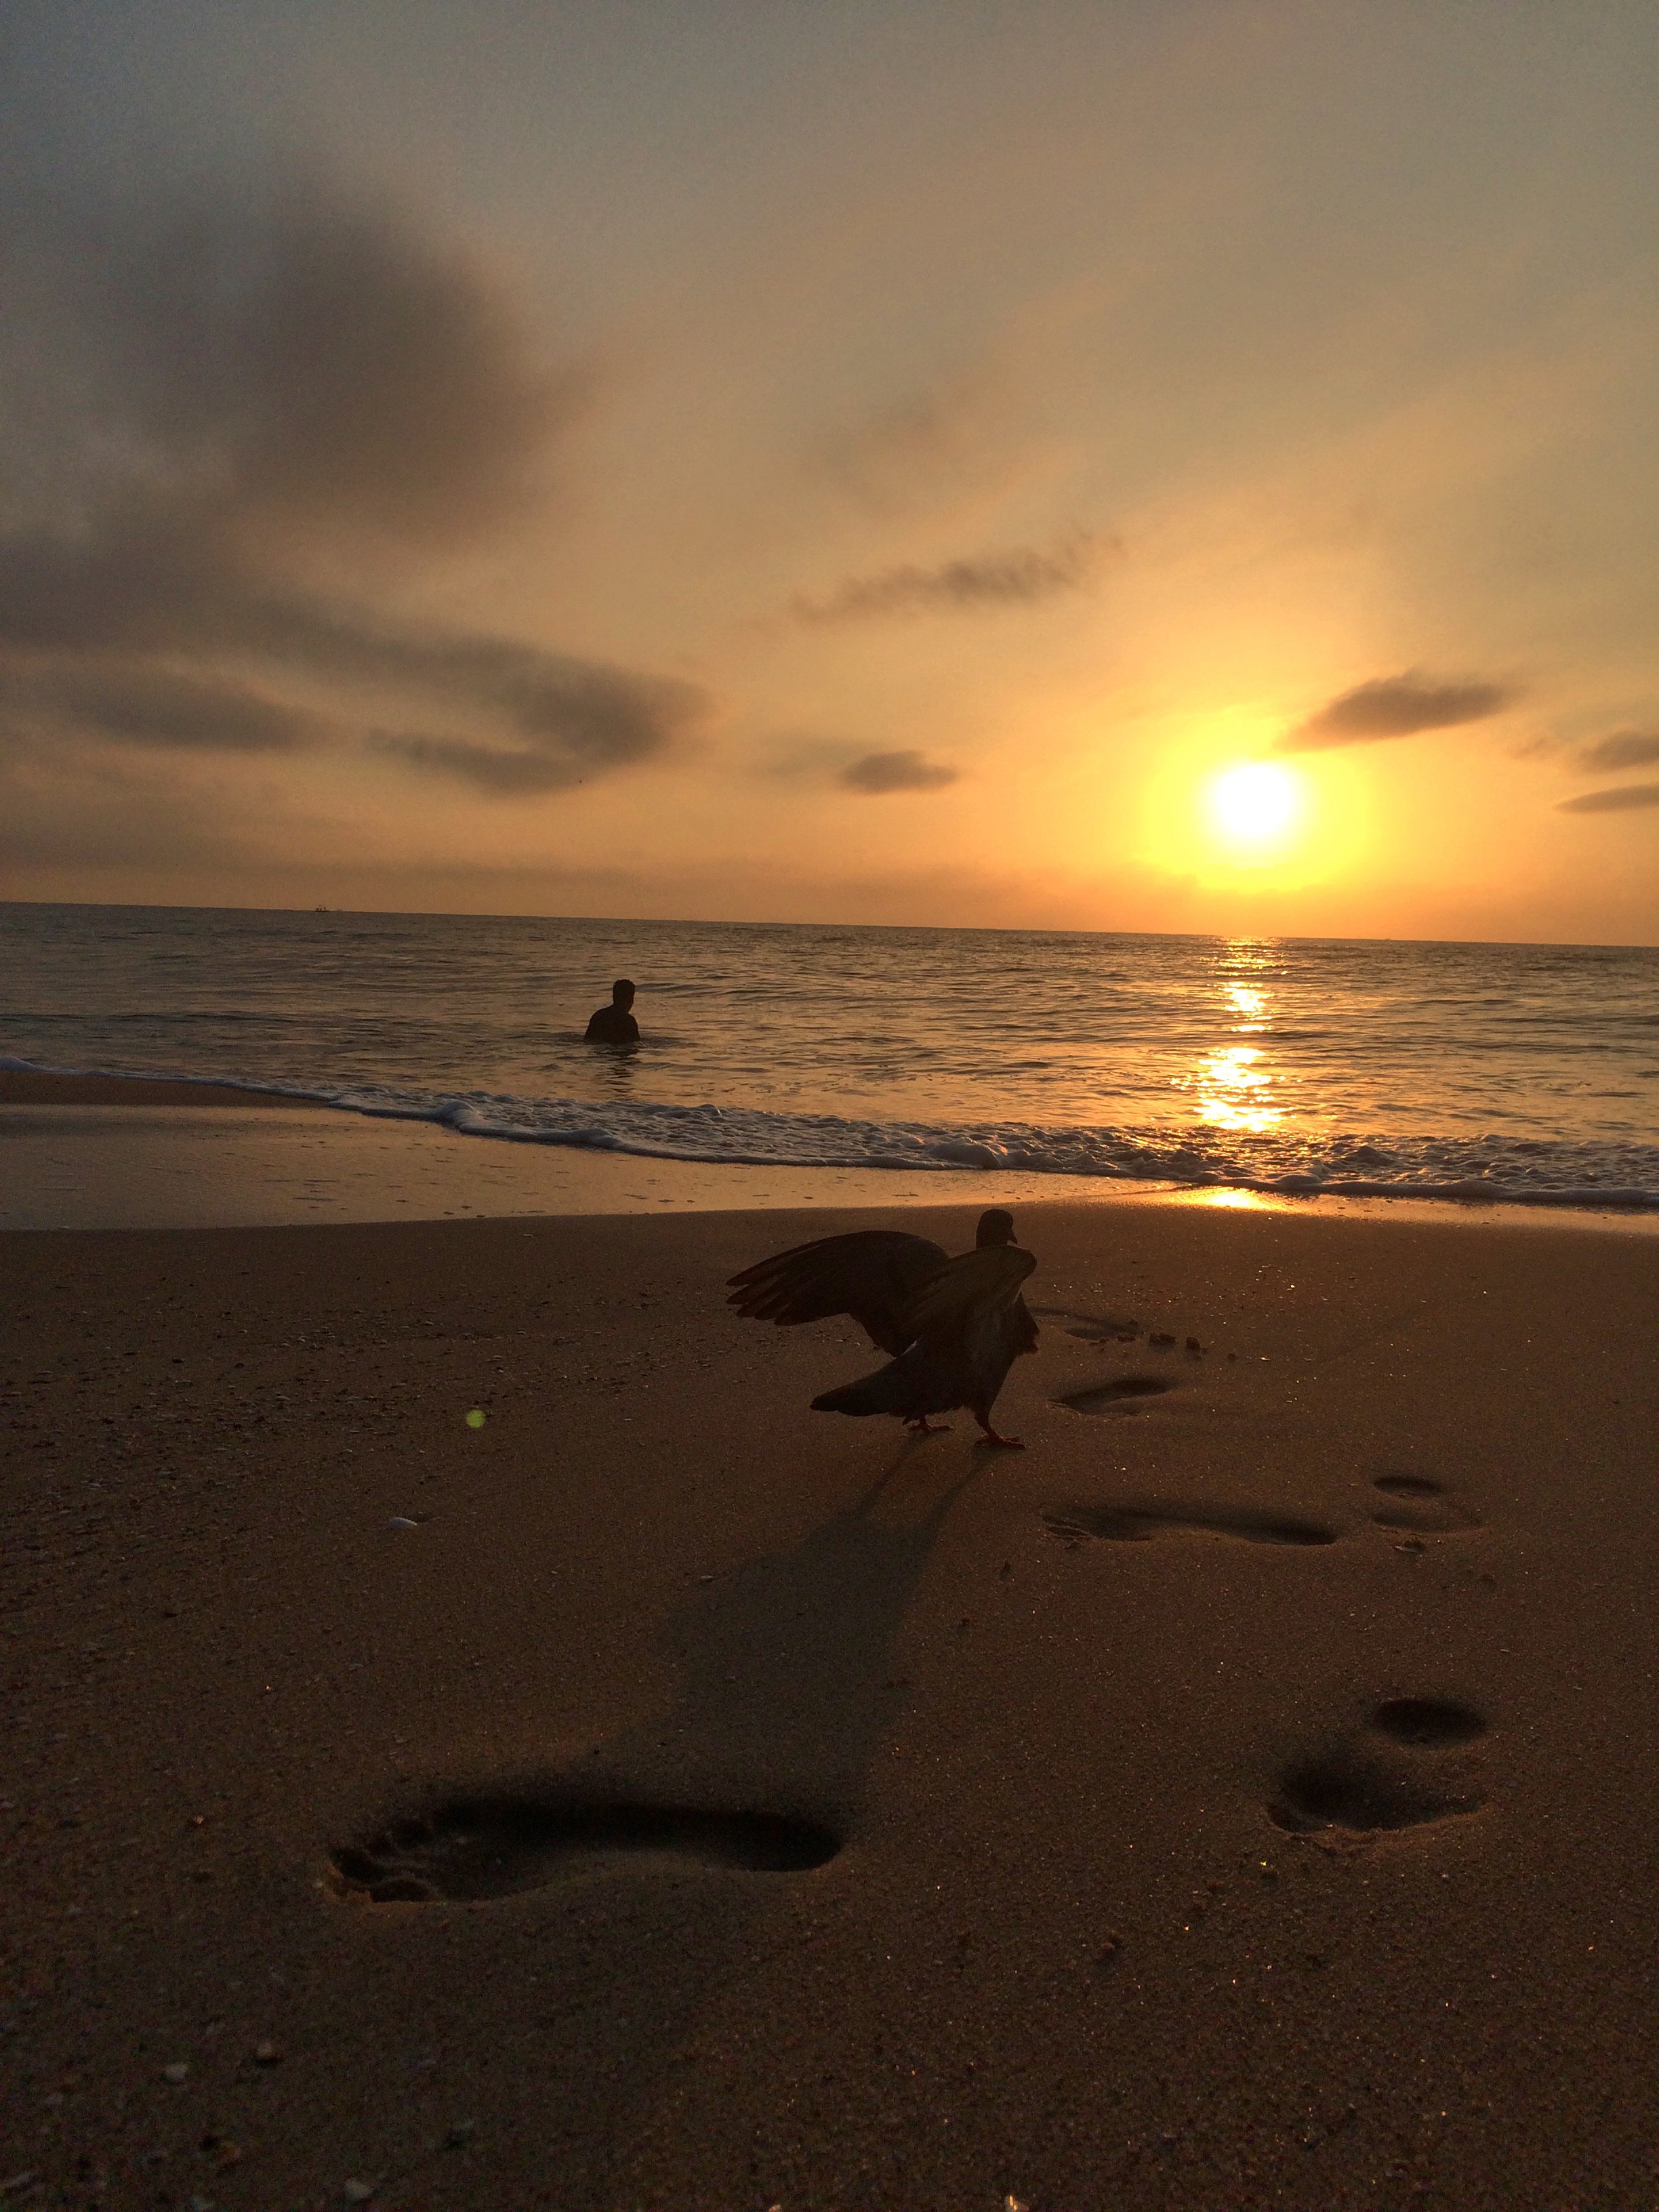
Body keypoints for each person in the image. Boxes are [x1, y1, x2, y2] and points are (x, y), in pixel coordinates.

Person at [584, 978, 639, 1044]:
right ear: (630, 999)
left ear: (614, 996)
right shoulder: (629, 1021)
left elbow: (587, 1040)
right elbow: (636, 1044)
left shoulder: (599, 1016)